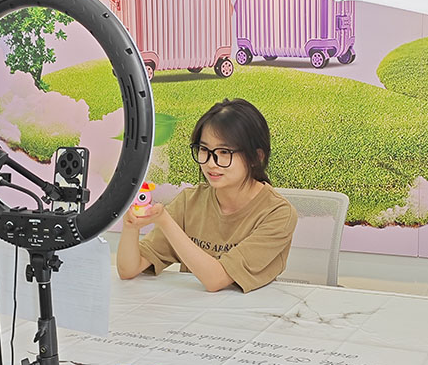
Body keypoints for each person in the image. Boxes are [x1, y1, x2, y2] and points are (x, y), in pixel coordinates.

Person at [116, 98, 298, 293]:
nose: (211, 163)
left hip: (254, 309)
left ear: (256, 157)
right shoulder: (189, 201)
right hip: (194, 307)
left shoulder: (278, 214)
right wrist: (131, 227)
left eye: (224, 152)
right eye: (204, 150)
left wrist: (165, 221)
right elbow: (128, 269)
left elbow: (216, 280)